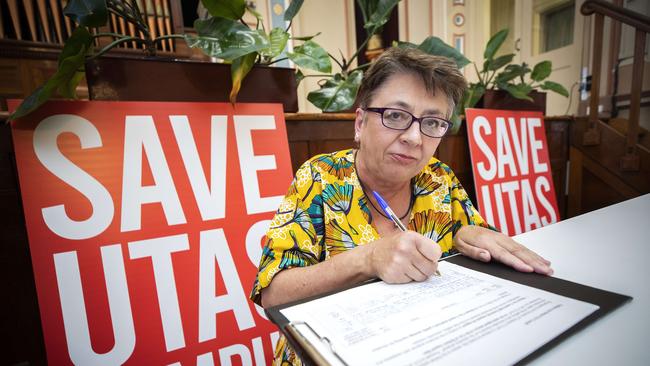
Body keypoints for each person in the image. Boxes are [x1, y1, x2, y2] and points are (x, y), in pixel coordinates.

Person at [250, 47, 553, 365]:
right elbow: (273, 296)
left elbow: (471, 231)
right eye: (395, 115)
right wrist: (368, 258)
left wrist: (468, 232)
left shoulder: (438, 178)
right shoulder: (319, 179)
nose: (414, 138)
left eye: (433, 122)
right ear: (360, 123)